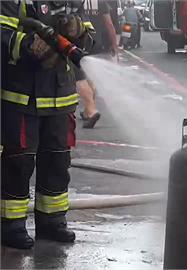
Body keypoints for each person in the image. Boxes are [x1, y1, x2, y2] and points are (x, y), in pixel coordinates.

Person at [0, 0, 91, 249]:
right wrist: (29, 45)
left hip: (60, 96)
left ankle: (52, 221)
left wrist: (78, 31)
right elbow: (3, 37)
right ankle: (12, 225)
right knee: (18, 162)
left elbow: (90, 40)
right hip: (22, 95)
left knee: (57, 162)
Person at [77, 0, 119, 128]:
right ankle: (87, 110)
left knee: (78, 76)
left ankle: (91, 110)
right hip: (96, 43)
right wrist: (114, 46)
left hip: (80, 42)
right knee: (90, 78)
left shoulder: (75, 2)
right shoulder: (101, 3)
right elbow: (109, 24)